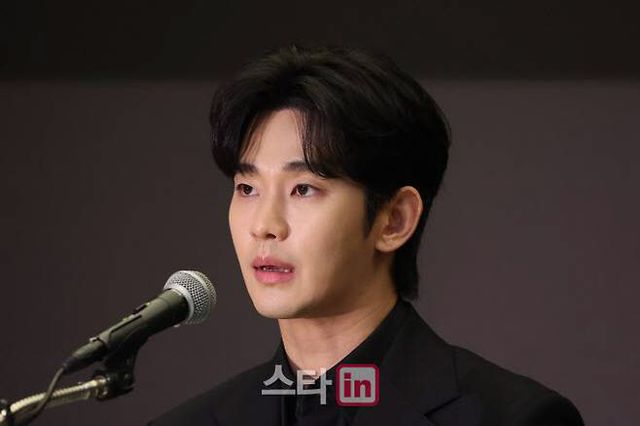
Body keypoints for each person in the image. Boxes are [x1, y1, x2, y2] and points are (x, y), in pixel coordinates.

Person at [150, 45, 584, 426]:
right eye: (247, 188)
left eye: (304, 189)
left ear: (394, 220)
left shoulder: (513, 417)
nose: (264, 225)